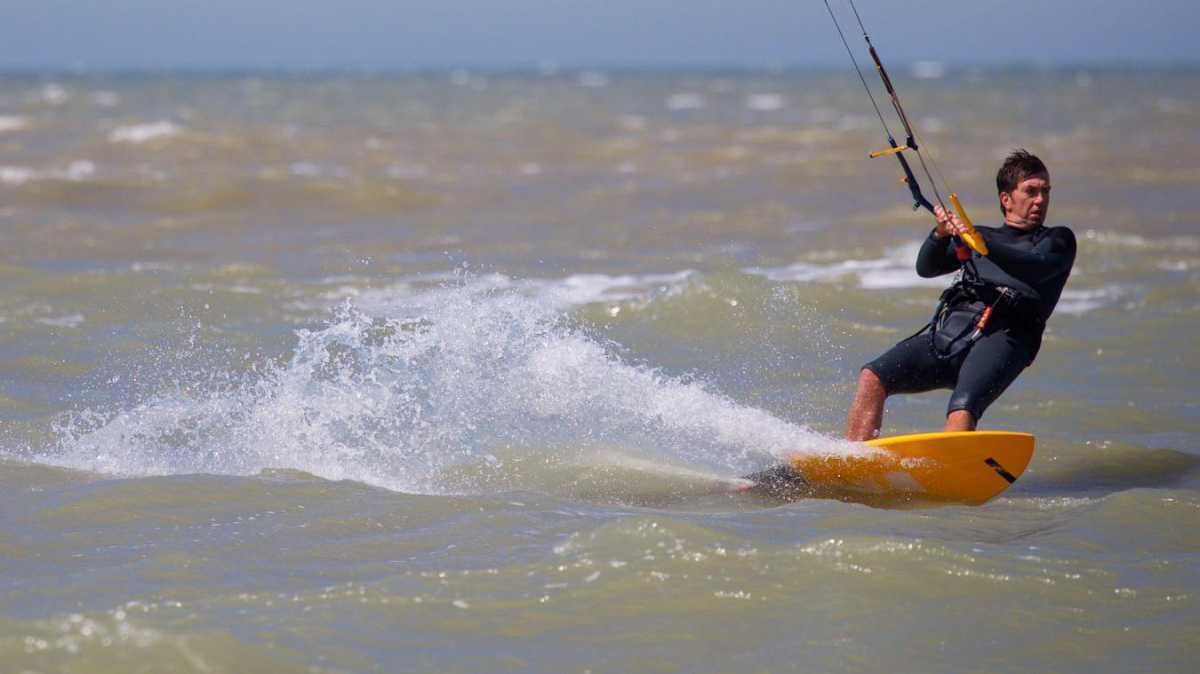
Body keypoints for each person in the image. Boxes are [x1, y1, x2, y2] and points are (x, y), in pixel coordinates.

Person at [845, 150, 1076, 441]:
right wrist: (940, 233)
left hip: (1005, 339)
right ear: (1006, 199)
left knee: (962, 408)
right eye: (1031, 191)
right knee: (873, 377)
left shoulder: (1056, 240)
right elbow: (926, 268)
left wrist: (982, 242)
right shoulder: (979, 237)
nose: (1040, 200)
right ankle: (853, 461)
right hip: (952, 333)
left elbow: (1035, 269)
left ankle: (947, 480)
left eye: (1045, 192)